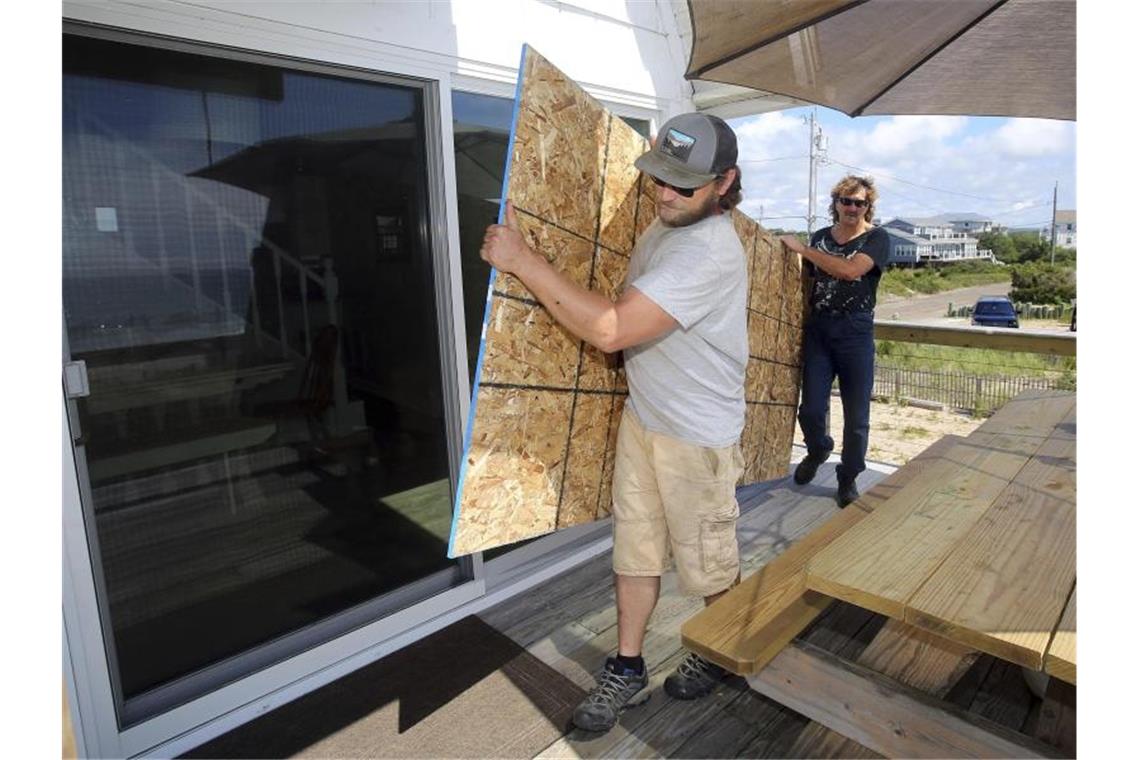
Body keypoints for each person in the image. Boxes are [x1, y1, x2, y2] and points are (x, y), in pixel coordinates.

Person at [480, 113, 748, 733]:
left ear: (725, 182)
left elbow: (610, 329)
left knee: (709, 564)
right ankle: (627, 670)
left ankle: (723, 652)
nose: (665, 194)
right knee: (636, 551)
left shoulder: (709, 251)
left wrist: (522, 262)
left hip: (698, 439)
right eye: (659, 178)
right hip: (646, 420)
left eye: (683, 185)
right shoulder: (667, 223)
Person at [779, 176, 889, 508]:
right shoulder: (821, 237)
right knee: (811, 408)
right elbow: (807, 280)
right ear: (836, 203)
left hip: (855, 332)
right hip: (820, 329)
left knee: (857, 417)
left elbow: (850, 271)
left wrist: (803, 249)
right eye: (846, 201)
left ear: (869, 206)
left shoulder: (877, 238)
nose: (852, 208)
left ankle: (848, 475)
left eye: (860, 203)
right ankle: (818, 449)